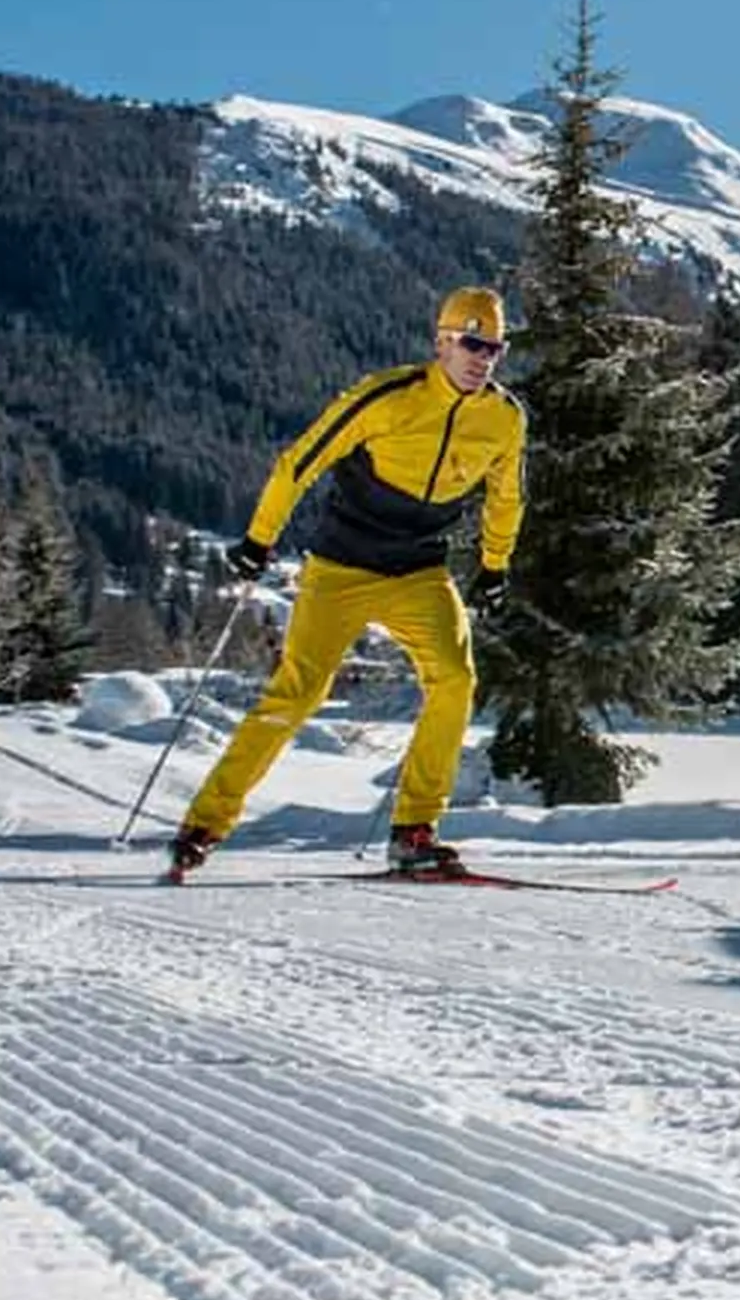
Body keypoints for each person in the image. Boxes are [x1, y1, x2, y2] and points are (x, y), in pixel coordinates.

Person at [167, 285, 526, 879]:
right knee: (297, 692)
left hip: (418, 570)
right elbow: (299, 463)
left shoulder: (504, 419)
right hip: (342, 569)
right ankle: (204, 824)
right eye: (471, 343)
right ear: (441, 342)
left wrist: (495, 566)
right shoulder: (386, 398)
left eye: (494, 347)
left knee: (456, 679)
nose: (482, 358)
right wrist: (259, 540)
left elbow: (507, 497)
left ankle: (414, 830)